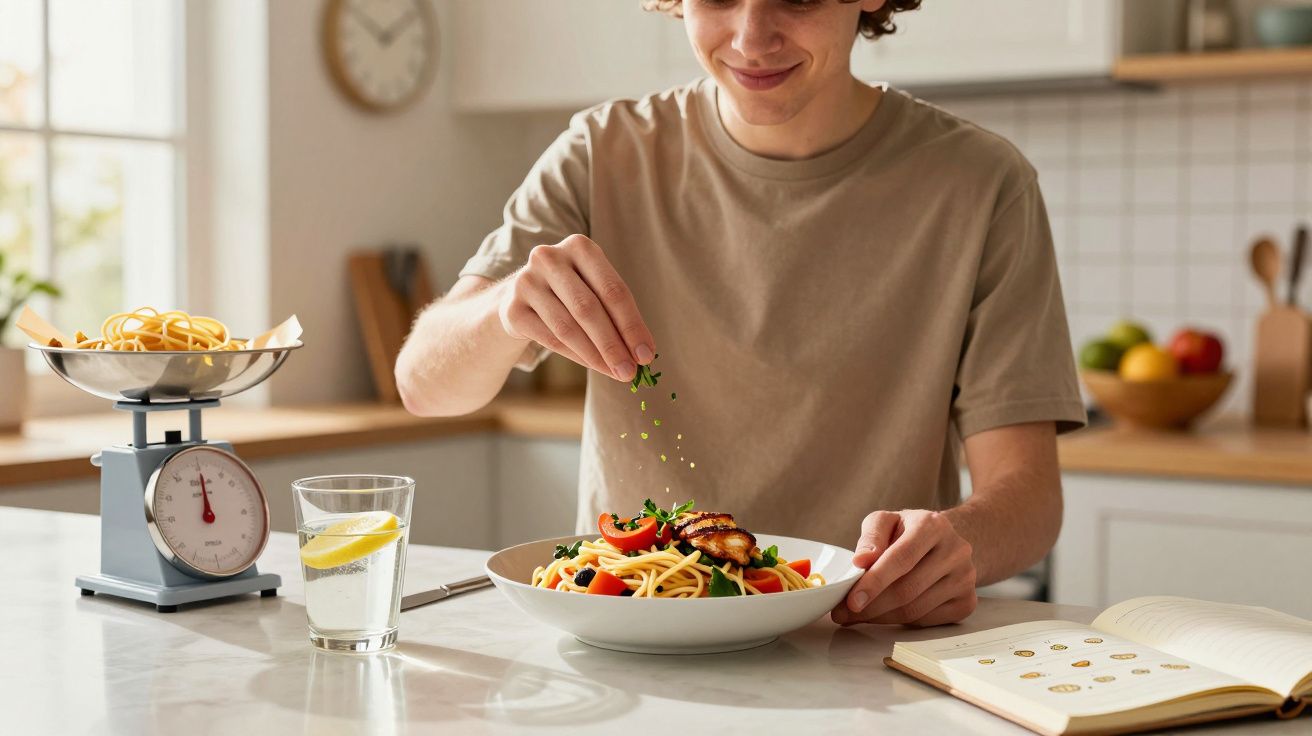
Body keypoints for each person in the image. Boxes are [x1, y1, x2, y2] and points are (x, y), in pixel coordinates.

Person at [396, 0, 1086, 627]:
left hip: (860, 643)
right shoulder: (601, 152)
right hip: (636, 634)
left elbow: (1027, 496)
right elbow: (423, 383)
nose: (752, 37)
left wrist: (955, 543)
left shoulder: (983, 183)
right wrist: (501, 312)